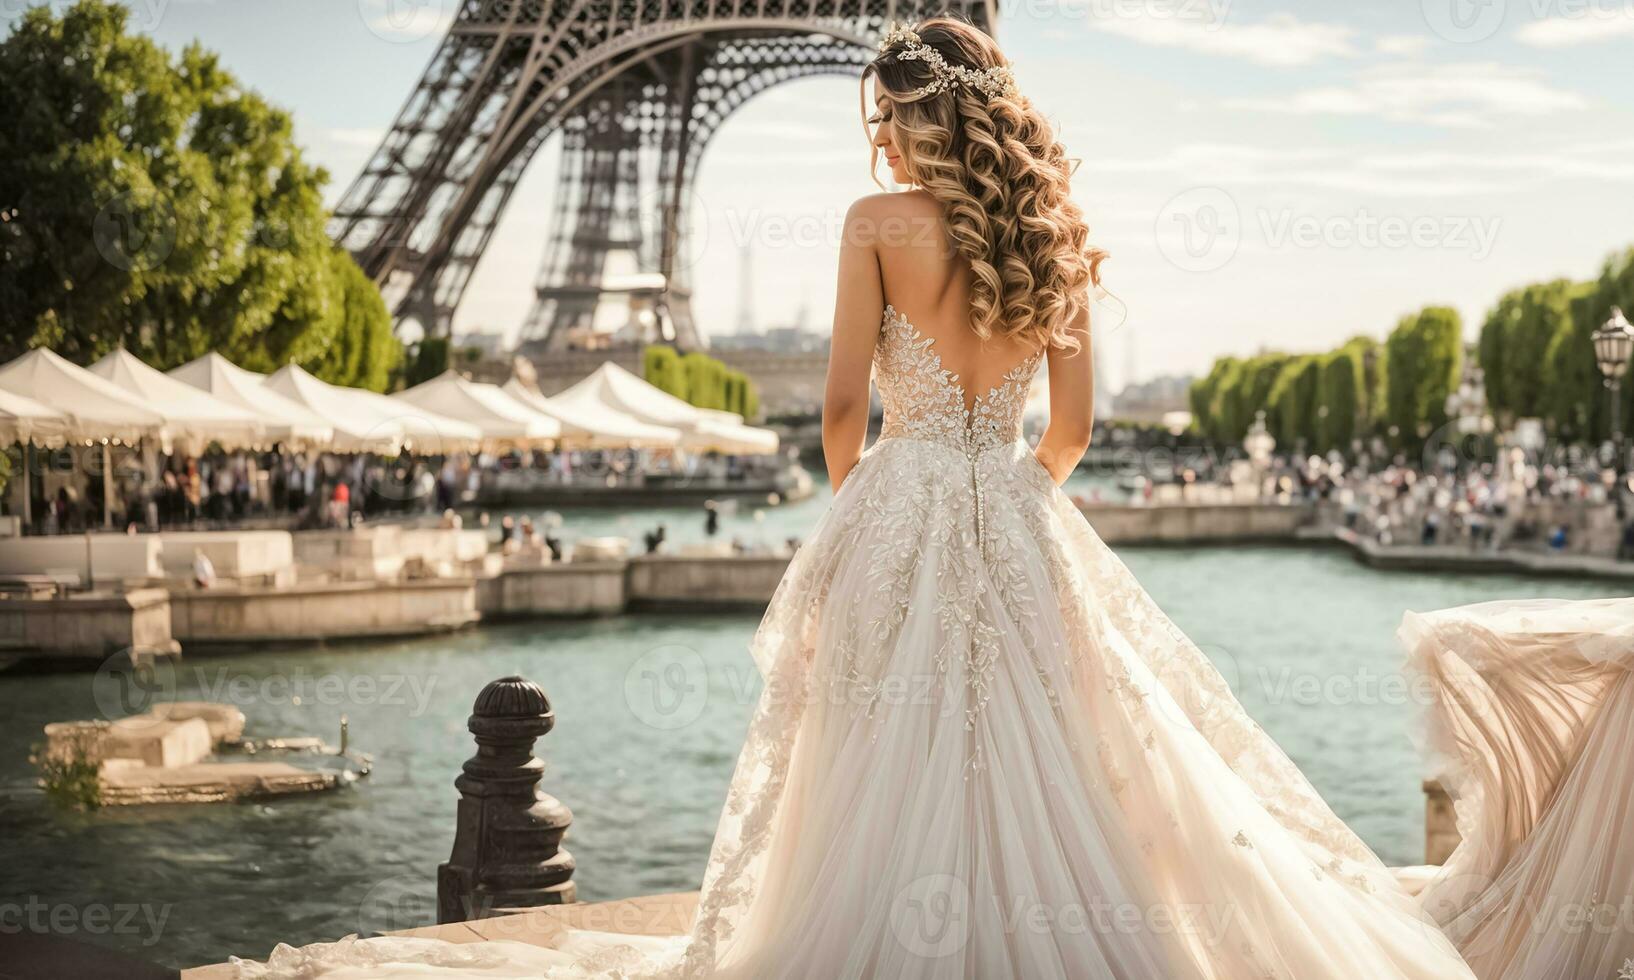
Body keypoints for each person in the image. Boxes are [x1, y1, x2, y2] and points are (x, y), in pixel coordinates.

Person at [234, 20, 1628, 980]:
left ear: (912, 119)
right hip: (1016, 511)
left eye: (885, 120)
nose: (881, 142)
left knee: (870, 749)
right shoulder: (1057, 236)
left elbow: (841, 406)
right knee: (1060, 739)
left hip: (901, 497)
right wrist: (1005, 503)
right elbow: (1071, 428)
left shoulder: (873, 227)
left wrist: (877, 507)